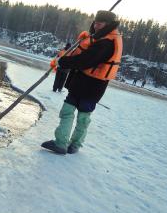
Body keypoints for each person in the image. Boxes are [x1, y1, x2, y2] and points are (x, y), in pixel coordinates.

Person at [41, 10, 123, 154]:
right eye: (95, 23)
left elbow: (86, 60)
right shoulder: (99, 38)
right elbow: (83, 56)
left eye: (100, 24)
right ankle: (61, 143)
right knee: (68, 111)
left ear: (108, 25)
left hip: (92, 87)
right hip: (80, 84)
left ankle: (73, 145)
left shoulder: (107, 43)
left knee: (83, 117)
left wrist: (62, 62)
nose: (96, 26)